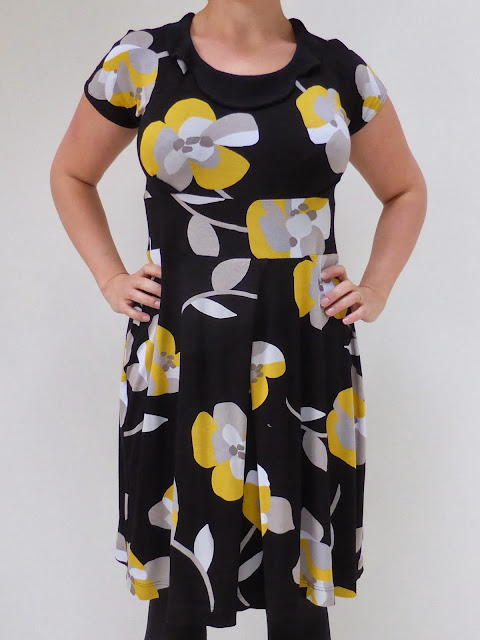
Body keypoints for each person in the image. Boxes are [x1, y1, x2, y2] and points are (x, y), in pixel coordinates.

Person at [50, 1, 427, 638]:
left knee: (299, 594)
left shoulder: (337, 72)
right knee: (178, 592)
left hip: (303, 355)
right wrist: (110, 277)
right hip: (180, 351)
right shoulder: (144, 60)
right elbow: (71, 172)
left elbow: (405, 190)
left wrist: (378, 287)